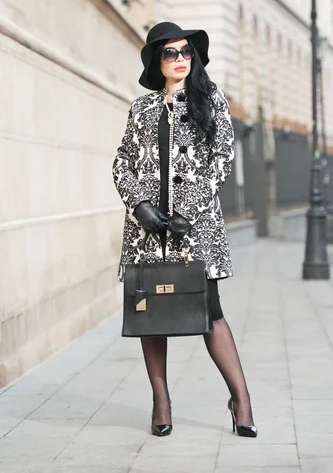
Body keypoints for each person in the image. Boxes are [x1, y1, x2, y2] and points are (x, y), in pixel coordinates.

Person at [112, 22, 257, 438]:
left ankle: (241, 398)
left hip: (194, 231)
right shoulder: (140, 108)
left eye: (186, 52)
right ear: (156, 61)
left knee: (210, 311)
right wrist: (140, 205)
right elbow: (122, 160)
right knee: (149, 315)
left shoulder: (209, 99)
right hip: (146, 232)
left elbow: (222, 158)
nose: (180, 59)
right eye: (170, 53)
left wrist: (188, 211)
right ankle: (161, 400)